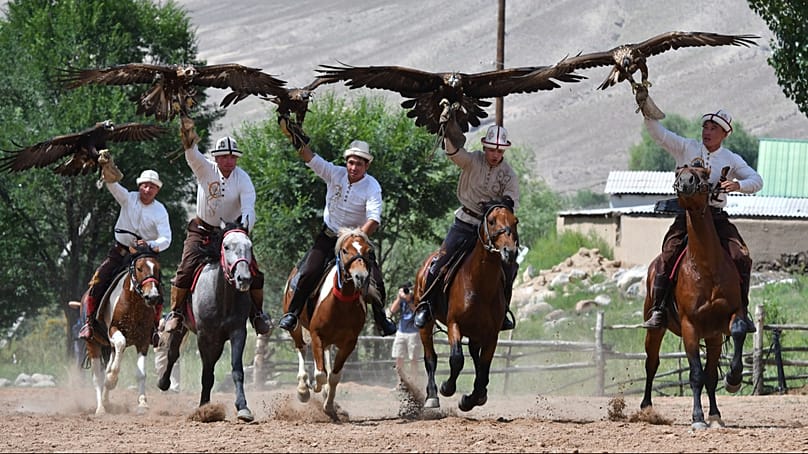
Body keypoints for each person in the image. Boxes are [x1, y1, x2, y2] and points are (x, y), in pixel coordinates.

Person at [635, 89, 763, 332]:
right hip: (687, 218)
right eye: (706, 126)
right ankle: (660, 310)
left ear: (725, 133)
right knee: (667, 257)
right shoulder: (686, 147)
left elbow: (757, 180)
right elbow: (658, 134)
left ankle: (742, 311)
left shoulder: (731, 159)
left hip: (715, 218)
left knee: (741, 257)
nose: (707, 131)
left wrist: (739, 185)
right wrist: (645, 108)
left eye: (714, 128)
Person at [276, 119, 396, 336]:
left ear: (366, 166)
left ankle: (381, 320)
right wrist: (296, 139)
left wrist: (356, 238)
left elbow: (374, 219)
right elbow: (310, 158)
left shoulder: (372, 186)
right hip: (329, 236)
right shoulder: (335, 173)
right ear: (346, 162)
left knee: (376, 281)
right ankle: (292, 314)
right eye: (351, 162)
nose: (353, 167)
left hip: (356, 242)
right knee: (308, 272)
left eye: (359, 164)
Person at [163, 118, 272, 335]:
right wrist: (187, 137)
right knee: (185, 270)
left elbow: (249, 207)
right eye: (224, 157)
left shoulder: (243, 179)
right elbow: (192, 155)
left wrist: (244, 228)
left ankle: (257, 314)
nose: (229, 161)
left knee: (254, 272)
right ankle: (175, 313)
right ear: (216, 158)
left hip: (232, 233)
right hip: (201, 230)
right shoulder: (205, 169)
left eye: (233, 157)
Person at [413, 119, 520, 331]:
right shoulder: (472, 160)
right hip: (465, 222)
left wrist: (497, 208)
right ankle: (426, 304)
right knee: (440, 261)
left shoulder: (509, 174)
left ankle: (502, 311)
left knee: (510, 267)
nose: (495, 155)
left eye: (499, 151)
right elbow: (453, 153)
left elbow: (511, 202)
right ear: (485, 147)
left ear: (504, 152)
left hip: (494, 230)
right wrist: (445, 130)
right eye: (492, 150)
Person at [78, 154, 171, 345]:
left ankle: (153, 328)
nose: (148, 189)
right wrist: (106, 166)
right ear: (139, 186)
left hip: (145, 257)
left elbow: (166, 238)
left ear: (157, 190)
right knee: (97, 281)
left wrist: (152, 244)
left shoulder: (160, 210)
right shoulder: (128, 198)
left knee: (158, 290)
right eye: (145, 185)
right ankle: (88, 323)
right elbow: (113, 185)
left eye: (152, 187)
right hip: (120, 252)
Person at [389, 281, 421, 377]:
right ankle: (400, 383)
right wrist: (399, 298)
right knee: (399, 358)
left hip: (414, 332)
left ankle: (414, 381)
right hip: (401, 331)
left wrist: (409, 301)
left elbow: (417, 312)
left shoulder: (415, 298)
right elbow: (392, 310)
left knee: (413, 360)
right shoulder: (401, 299)